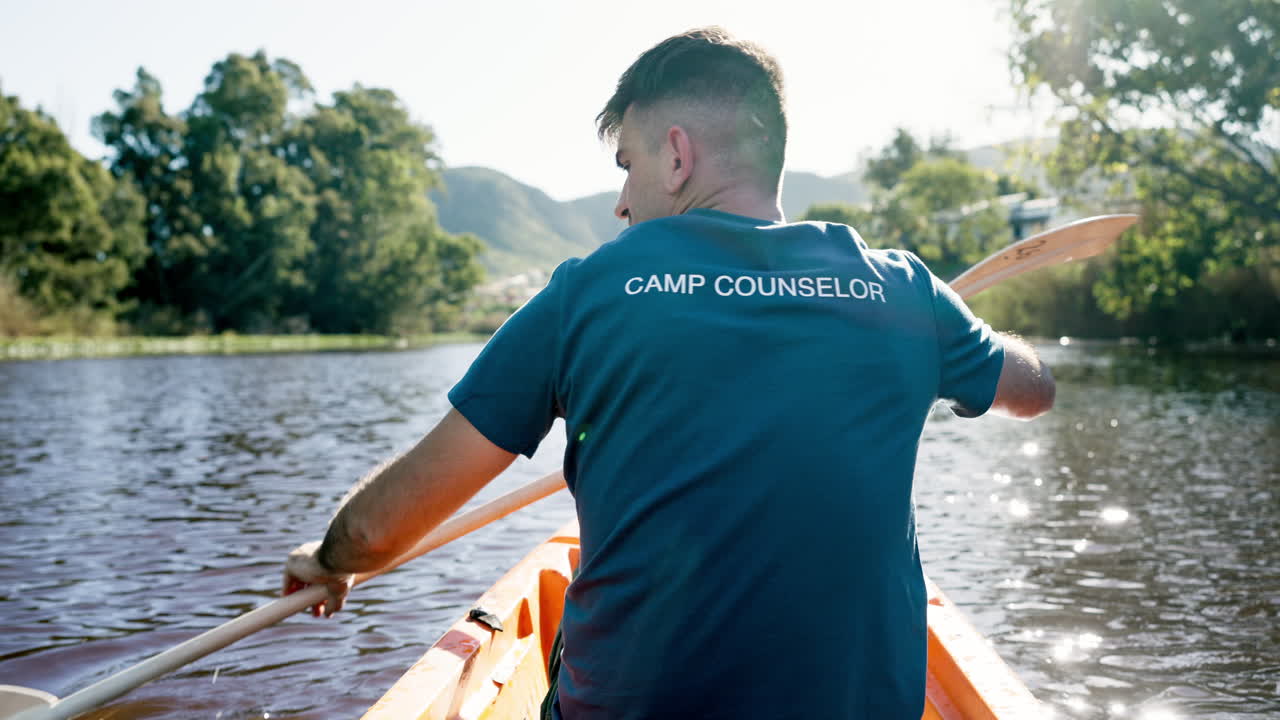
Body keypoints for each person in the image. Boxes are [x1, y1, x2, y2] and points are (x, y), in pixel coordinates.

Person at [282, 26, 1055, 719]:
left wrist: (330, 559)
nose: (621, 201)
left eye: (628, 166)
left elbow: (381, 529)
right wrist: (951, 334)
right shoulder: (903, 289)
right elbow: (1033, 391)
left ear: (677, 156)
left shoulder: (587, 291)